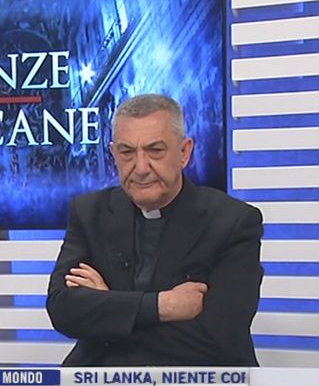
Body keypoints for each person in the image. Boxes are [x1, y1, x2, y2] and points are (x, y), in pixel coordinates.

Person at [46, 94, 263, 366]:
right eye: (127, 152)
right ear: (114, 154)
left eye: (155, 151)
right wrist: (161, 306)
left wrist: (108, 308)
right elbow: (63, 310)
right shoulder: (89, 213)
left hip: (198, 384)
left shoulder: (233, 222)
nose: (140, 168)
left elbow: (218, 337)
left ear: (184, 152)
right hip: (104, 383)